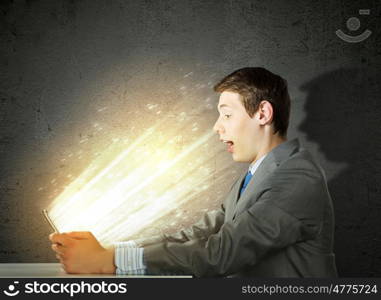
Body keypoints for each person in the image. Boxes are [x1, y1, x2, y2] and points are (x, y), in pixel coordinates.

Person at [49, 67, 337, 277]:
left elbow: (222, 253)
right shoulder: (255, 176)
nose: (217, 127)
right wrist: (111, 250)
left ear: (262, 114)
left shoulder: (297, 178)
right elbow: (198, 234)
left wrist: (108, 262)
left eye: (226, 114)